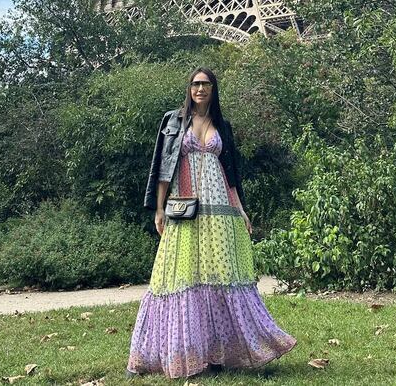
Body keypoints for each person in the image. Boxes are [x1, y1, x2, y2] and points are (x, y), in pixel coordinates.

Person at [127, 67, 296, 379]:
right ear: (189, 88)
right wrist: (159, 208)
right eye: (195, 83)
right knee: (178, 274)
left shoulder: (223, 126)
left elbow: (231, 173)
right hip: (185, 206)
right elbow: (165, 166)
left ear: (214, 89)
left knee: (220, 276)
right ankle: (174, 353)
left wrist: (241, 209)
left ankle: (218, 351)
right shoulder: (174, 120)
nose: (200, 89)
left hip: (219, 209)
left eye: (205, 84)